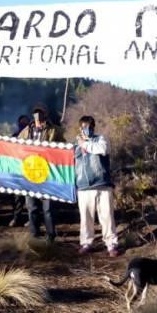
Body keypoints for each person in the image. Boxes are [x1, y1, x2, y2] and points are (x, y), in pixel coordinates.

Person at [75, 115, 120, 257]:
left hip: (103, 184)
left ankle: (111, 244)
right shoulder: (74, 146)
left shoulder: (101, 140)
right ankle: (86, 243)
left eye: (89, 126)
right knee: (86, 218)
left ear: (93, 127)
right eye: (83, 126)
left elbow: (103, 150)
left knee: (107, 216)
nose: (86, 129)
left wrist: (85, 144)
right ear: (79, 127)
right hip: (83, 187)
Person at [17, 105, 64, 241]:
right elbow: (17, 146)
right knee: (31, 207)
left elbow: (63, 148)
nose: (38, 115)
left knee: (48, 209)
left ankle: (50, 236)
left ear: (45, 114)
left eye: (40, 112)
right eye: (35, 112)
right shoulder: (26, 131)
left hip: (47, 175)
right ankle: (34, 234)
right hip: (30, 174)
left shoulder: (54, 130)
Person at [8, 114, 31, 226]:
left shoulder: (33, 137)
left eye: (26, 123)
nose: (23, 125)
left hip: (30, 172)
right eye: (22, 123)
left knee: (30, 198)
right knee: (17, 198)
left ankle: (31, 219)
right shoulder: (14, 137)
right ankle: (16, 218)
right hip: (17, 172)